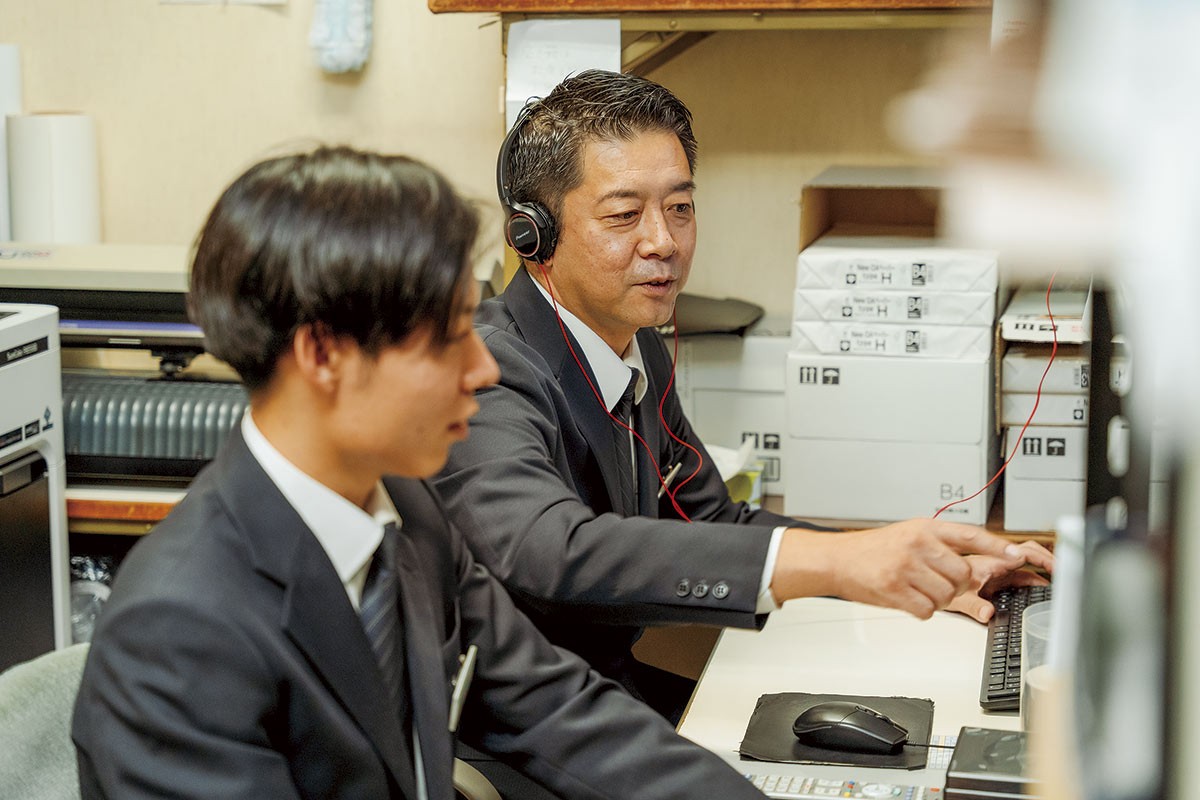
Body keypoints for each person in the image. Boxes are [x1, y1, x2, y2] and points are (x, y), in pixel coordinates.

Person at [70, 146, 775, 800]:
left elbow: (552, 706)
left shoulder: (404, 511)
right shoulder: (179, 630)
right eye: (446, 339)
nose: (484, 368)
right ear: (323, 355)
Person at [434, 69, 1054, 723]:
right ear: (535, 237)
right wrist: (840, 562)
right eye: (624, 215)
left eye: (680, 207)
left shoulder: (634, 343)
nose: (664, 242)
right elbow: (549, 552)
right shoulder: (490, 368)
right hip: (529, 724)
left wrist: (914, 566)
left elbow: (709, 519)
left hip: (609, 700)